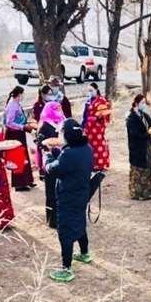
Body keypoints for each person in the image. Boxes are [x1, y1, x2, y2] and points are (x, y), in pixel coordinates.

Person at [45, 118, 94, 282]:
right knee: (80, 222)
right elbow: (69, 162)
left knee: (65, 230)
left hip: (68, 196)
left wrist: (48, 159)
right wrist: (56, 153)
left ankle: (66, 268)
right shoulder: (86, 148)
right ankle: (84, 253)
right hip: (82, 193)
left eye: (62, 132)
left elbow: (55, 170)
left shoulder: (69, 154)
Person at [37, 102, 66, 228]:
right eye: (56, 109)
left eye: (60, 108)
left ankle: (64, 216)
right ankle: (53, 219)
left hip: (64, 158)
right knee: (51, 191)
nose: (59, 111)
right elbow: (40, 143)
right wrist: (48, 147)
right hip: (51, 160)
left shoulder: (64, 122)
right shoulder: (44, 125)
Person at [4, 86, 36, 191]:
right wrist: (22, 126)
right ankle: (19, 183)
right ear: (19, 94)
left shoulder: (16, 103)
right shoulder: (12, 105)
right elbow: (9, 122)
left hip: (20, 133)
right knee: (18, 157)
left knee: (24, 155)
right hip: (15, 134)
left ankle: (27, 180)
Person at [126, 94, 151, 201]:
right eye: (142, 103)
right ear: (136, 103)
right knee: (139, 169)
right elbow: (134, 134)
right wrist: (148, 136)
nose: (144, 105)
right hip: (137, 147)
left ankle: (150, 192)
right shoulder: (131, 118)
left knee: (148, 167)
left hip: (147, 146)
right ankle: (138, 193)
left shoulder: (143, 115)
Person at [82, 82, 111, 171]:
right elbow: (84, 115)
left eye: (91, 90)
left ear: (96, 90)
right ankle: (91, 164)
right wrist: (83, 125)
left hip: (98, 127)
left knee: (99, 145)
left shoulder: (102, 101)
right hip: (88, 127)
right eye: (88, 91)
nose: (90, 92)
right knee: (89, 145)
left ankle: (101, 164)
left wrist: (100, 118)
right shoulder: (87, 101)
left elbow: (107, 114)